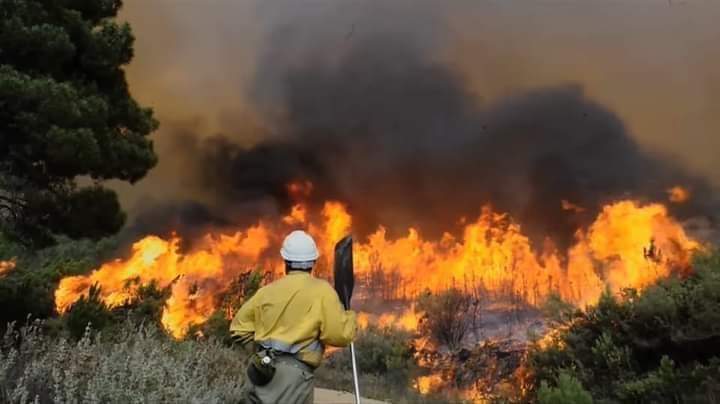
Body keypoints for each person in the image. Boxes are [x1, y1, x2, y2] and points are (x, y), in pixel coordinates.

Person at [230, 230, 357, 404]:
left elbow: (238, 329)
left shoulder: (266, 292)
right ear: (313, 262)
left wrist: (261, 354)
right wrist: (349, 317)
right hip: (295, 378)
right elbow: (339, 336)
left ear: (285, 262)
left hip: (261, 372)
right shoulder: (322, 292)